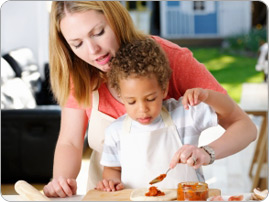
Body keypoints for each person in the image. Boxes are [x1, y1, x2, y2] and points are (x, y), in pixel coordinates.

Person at [43, 1, 257, 198]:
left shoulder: (170, 59)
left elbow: (243, 126)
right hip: (111, 196)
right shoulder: (80, 73)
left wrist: (207, 153)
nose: (93, 51)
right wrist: (61, 182)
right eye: (77, 44)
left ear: (116, 19)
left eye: (98, 32)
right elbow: (70, 142)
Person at [95, 39, 255, 191]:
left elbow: (230, 112)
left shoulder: (184, 115)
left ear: (164, 89)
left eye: (150, 98)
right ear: (121, 97)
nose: (142, 109)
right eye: (131, 102)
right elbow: (112, 169)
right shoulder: (115, 132)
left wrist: (207, 96)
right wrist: (112, 182)